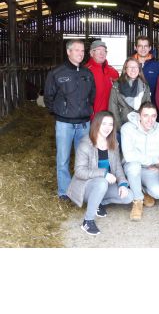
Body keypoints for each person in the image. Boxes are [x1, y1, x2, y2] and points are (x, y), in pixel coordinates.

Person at [44, 39, 96, 200]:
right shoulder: (57, 73)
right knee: (63, 159)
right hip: (64, 124)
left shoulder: (87, 73)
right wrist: (61, 112)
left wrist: (86, 110)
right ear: (68, 52)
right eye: (77, 50)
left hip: (84, 124)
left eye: (82, 51)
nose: (80, 53)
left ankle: (81, 190)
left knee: (84, 159)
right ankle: (64, 192)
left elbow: (92, 96)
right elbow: (48, 97)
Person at [67, 111, 134, 235]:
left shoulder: (113, 143)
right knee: (102, 182)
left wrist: (123, 184)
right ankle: (87, 221)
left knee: (129, 196)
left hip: (104, 185)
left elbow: (118, 167)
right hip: (86, 187)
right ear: (97, 124)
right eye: (104, 124)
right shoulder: (85, 144)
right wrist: (103, 174)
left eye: (110, 124)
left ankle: (99, 202)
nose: (107, 128)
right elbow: (79, 171)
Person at [121, 102, 159, 221]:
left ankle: (139, 188)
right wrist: (153, 160)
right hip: (131, 168)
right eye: (146, 115)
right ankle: (137, 201)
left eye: (153, 116)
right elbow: (129, 156)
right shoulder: (127, 128)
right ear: (139, 116)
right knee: (134, 167)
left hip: (150, 170)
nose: (150, 120)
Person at [108, 57, 151, 132]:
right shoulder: (116, 86)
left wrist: (143, 127)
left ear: (139, 69)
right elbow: (113, 109)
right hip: (122, 127)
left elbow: (148, 109)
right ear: (125, 69)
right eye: (130, 67)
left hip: (140, 128)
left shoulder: (145, 86)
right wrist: (120, 129)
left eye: (135, 67)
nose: (133, 70)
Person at [85, 40, 119, 117]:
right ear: (91, 53)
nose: (102, 53)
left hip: (110, 116)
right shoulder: (86, 71)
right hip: (93, 117)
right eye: (98, 50)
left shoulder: (113, 72)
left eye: (104, 51)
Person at [132, 35, 159, 105]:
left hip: (151, 108)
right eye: (140, 46)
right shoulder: (129, 65)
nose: (143, 49)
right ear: (135, 48)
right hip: (132, 108)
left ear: (150, 48)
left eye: (146, 46)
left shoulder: (158, 67)